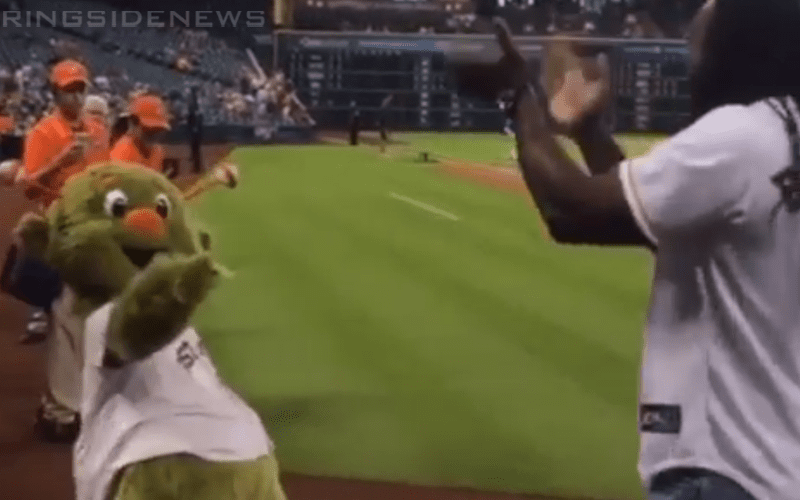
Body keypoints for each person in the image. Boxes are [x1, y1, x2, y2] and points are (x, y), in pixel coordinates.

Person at [491, 0, 800, 497]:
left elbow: (570, 211)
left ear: (740, 46)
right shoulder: (785, 136)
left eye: (701, 44)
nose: (691, 56)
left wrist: (516, 95)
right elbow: (649, 218)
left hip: (722, 467)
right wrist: (590, 130)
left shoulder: (740, 138)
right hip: (779, 466)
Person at [18, 58, 110, 441]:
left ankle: (74, 403)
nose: (75, 95)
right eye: (68, 89)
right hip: (59, 230)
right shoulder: (43, 132)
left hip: (90, 231)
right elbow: (28, 186)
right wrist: (62, 161)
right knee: (66, 319)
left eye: (79, 88)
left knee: (87, 321)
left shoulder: (95, 130)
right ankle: (61, 408)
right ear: (54, 92)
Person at [110, 94, 170, 172]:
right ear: (133, 123)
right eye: (149, 130)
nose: (154, 135)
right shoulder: (122, 153)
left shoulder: (157, 152)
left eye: (158, 129)